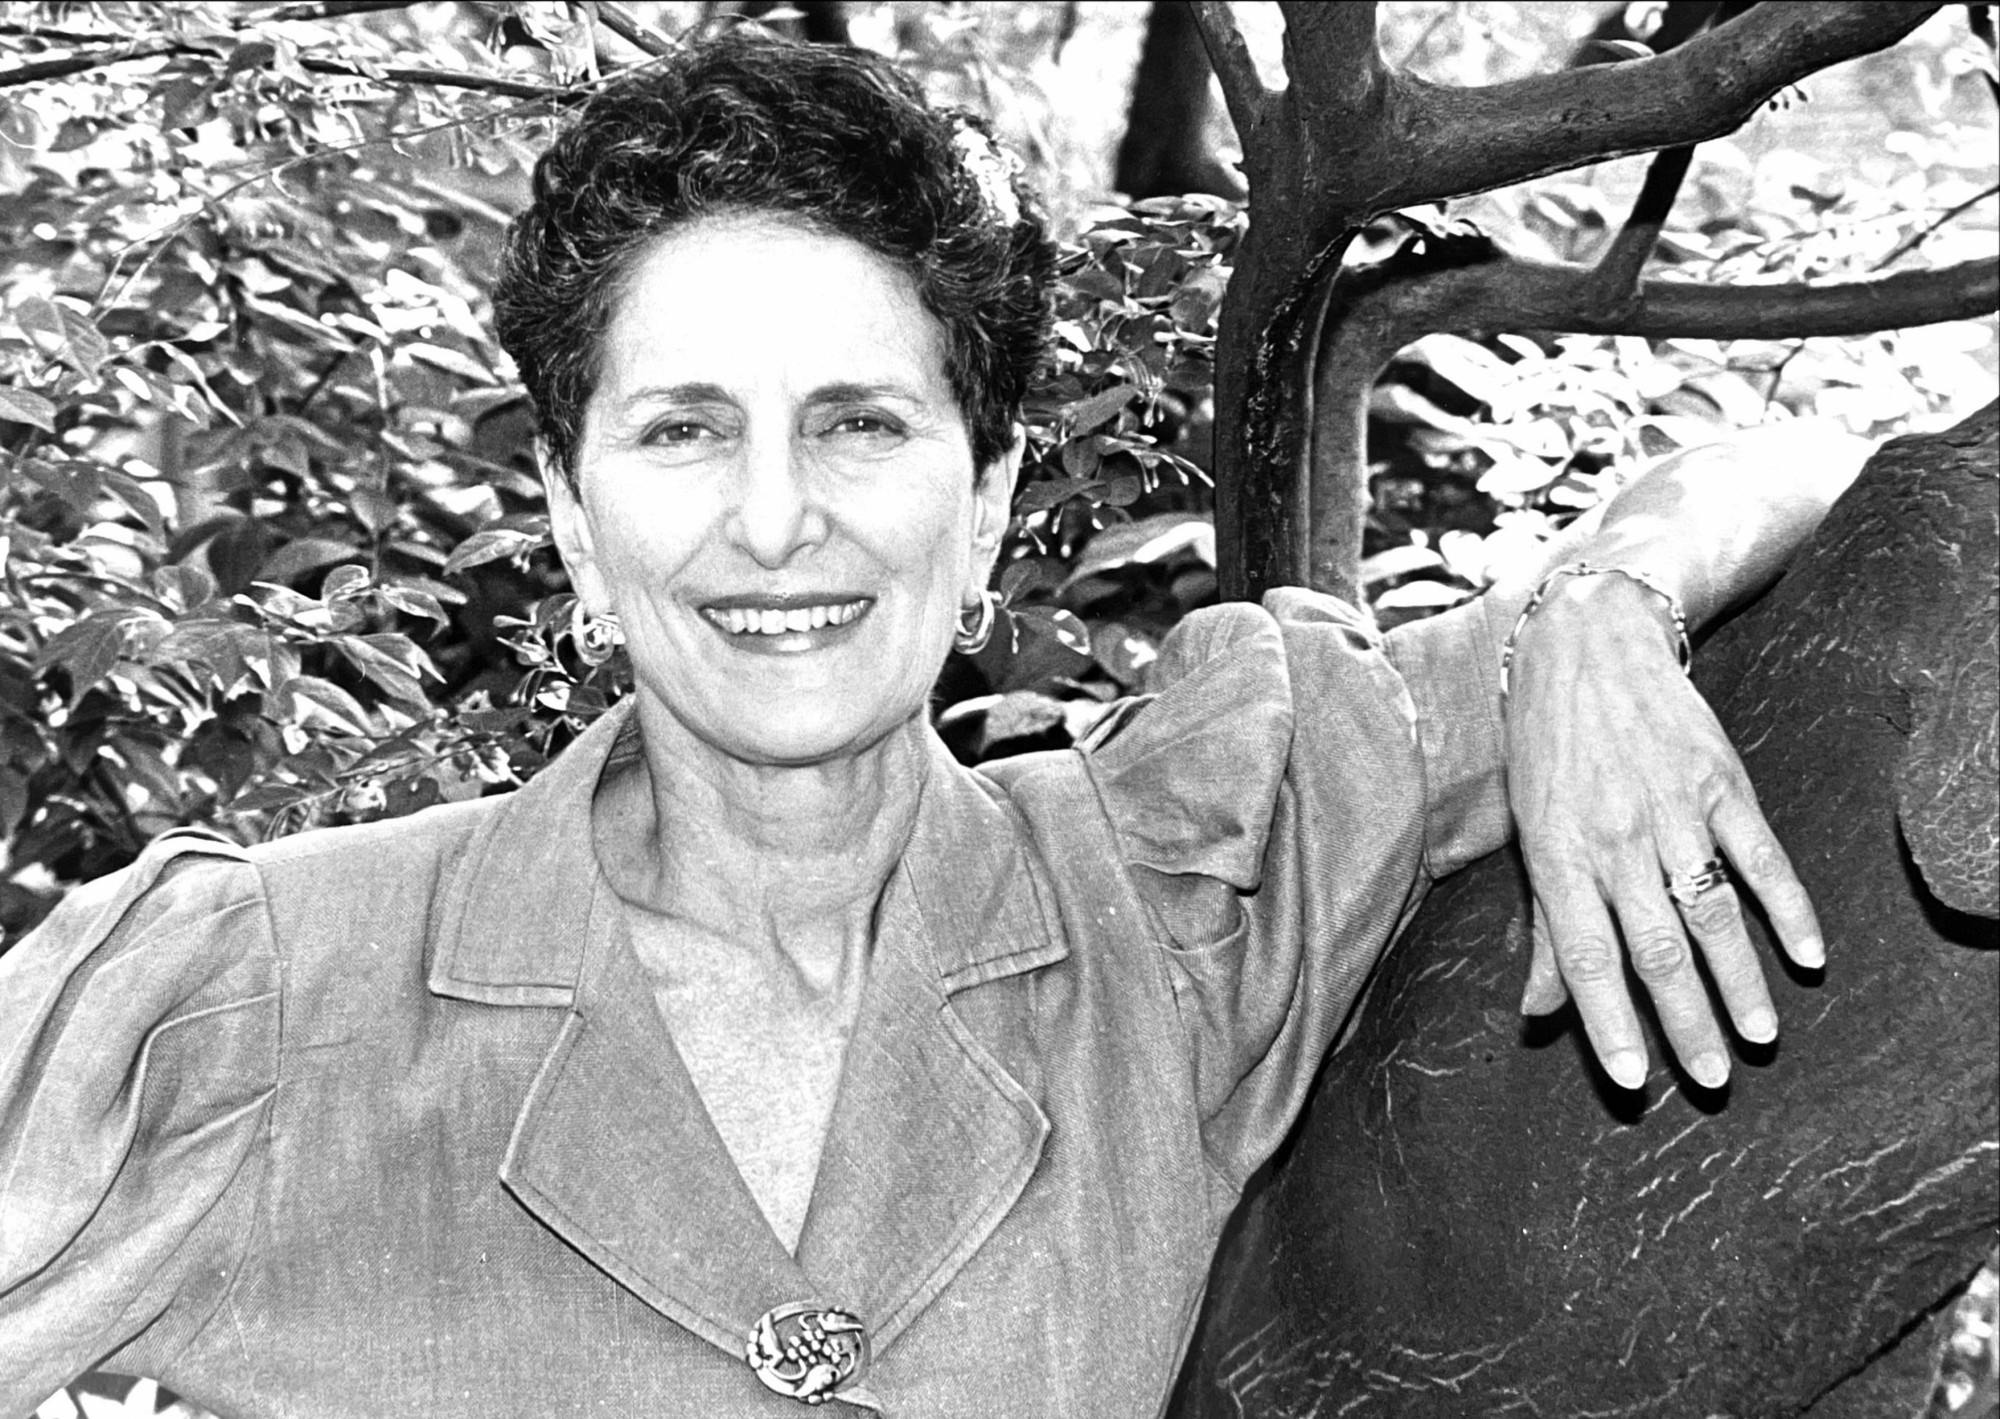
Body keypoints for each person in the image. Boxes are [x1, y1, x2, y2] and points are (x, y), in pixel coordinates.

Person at [1, 29, 1864, 1419]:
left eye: (861, 423)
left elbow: (1829, 464)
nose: (775, 516)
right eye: (680, 430)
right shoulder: (255, 994)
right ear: (573, 514)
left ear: (982, 505)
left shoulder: (1175, 890)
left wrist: (1599, 623)